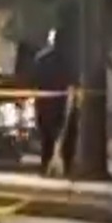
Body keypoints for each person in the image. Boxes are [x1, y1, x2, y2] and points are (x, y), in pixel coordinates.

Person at [31, 27, 77, 176]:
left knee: (47, 137)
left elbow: (35, 81)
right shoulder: (69, 59)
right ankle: (65, 166)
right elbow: (73, 81)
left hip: (45, 102)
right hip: (61, 101)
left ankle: (46, 166)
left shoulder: (41, 58)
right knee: (66, 135)